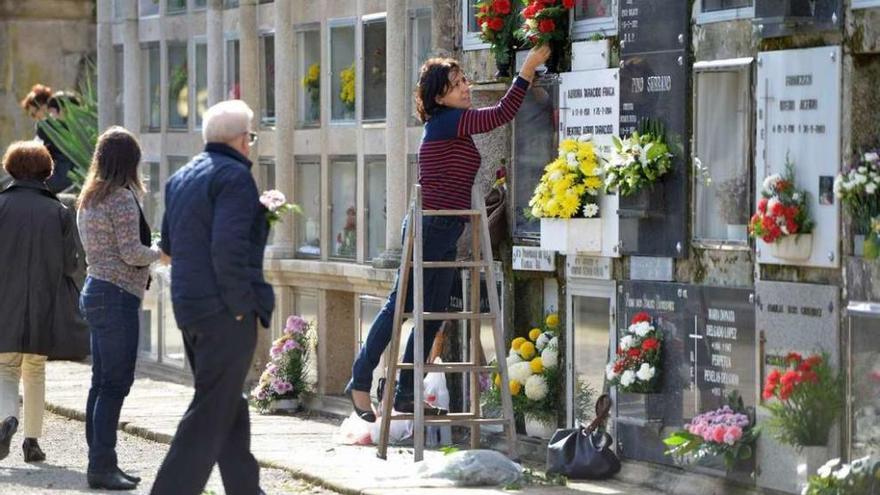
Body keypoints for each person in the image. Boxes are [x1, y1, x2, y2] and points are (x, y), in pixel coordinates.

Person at [346, 45, 552, 421]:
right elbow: (502, 114)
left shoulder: (452, 121)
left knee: (432, 312)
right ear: (439, 97)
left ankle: (407, 393)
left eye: (464, 81)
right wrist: (526, 69)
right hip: (430, 226)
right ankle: (360, 381)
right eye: (456, 85)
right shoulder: (447, 121)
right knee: (400, 307)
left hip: (444, 226)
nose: (465, 88)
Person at [151, 100, 273, 495]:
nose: (251, 145)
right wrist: (241, 307)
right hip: (224, 311)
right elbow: (228, 248)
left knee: (226, 405)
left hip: (189, 307)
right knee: (209, 411)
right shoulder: (235, 177)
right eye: (251, 137)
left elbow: (168, 246)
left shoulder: (182, 177)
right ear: (241, 140)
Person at [77, 126, 160, 491]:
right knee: (115, 384)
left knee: (100, 382)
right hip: (116, 296)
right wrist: (163, 252)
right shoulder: (121, 198)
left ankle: (100, 458)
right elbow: (131, 253)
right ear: (131, 162)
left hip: (95, 290)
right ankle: (101, 466)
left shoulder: (89, 198)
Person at [0, 141, 80, 463]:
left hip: (3, 301)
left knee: (5, 368)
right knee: (35, 369)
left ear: (10, 169)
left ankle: (7, 420)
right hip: (44, 301)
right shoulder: (59, 211)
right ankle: (31, 442)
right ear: (47, 171)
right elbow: (72, 264)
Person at [20, 85, 77, 193]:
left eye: (34, 113)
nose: (35, 118)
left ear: (44, 106)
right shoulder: (83, 124)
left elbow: (33, 152)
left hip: (59, 181)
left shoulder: (45, 126)